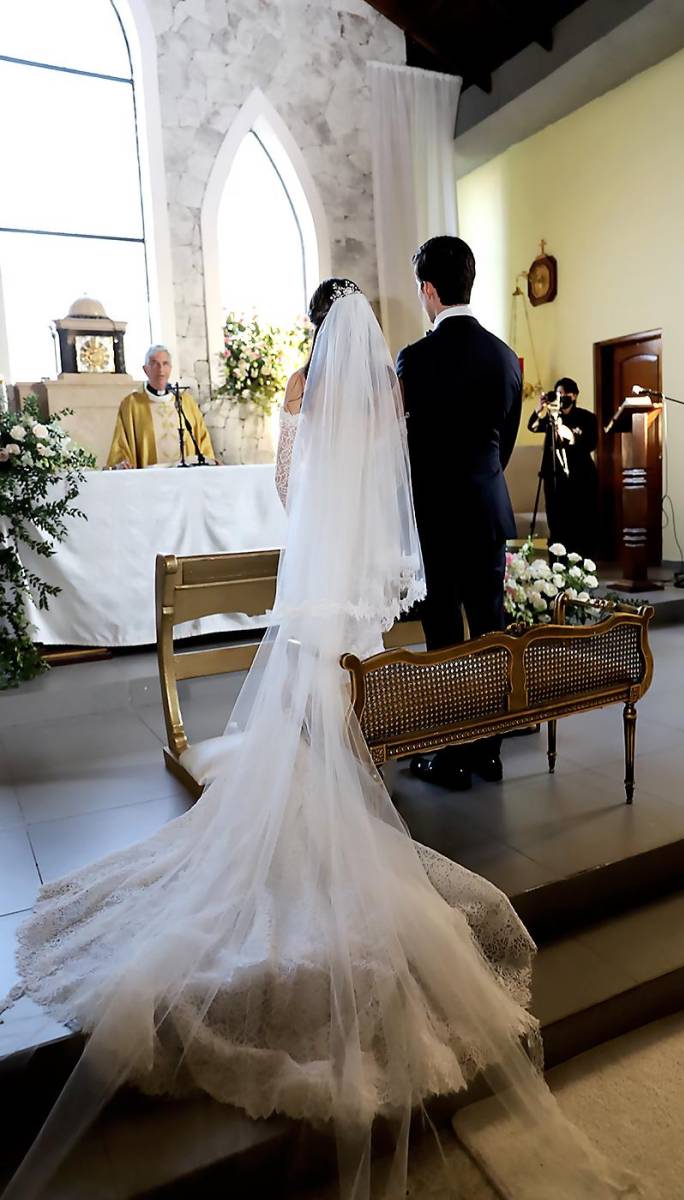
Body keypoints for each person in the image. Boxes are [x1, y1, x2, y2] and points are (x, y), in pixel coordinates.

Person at [2, 281, 637, 1200]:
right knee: (352, 715)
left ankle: (300, 833)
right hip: (360, 597)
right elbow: (394, 483)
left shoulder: (303, 390)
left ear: (312, 329)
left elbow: (292, 486)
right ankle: (342, 822)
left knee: (304, 721)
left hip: (312, 588)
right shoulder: (388, 390)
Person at [397, 236, 521, 792]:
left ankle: (450, 756)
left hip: (436, 522)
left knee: (444, 637)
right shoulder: (503, 355)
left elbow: (406, 446)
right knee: (492, 629)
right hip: (488, 513)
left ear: (429, 289)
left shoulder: (416, 359)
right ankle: (489, 751)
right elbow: (506, 443)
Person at [106, 345, 216, 468]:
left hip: (186, 477)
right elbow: (121, 444)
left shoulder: (185, 402)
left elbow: (202, 438)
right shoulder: (132, 405)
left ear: (170, 368)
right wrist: (122, 462)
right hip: (150, 480)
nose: (161, 370)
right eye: (155, 364)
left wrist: (209, 461)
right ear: (145, 369)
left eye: (165, 364)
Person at [527, 377, 598, 559]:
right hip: (554, 476)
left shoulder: (586, 417)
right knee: (556, 522)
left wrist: (571, 437)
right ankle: (556, 565)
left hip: (580, 477)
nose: (561, 397)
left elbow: (591, 443)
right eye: (558, 394)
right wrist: (539, 409)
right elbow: (533, 427)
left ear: (574, 395)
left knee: (580, 522)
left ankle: (580, 565)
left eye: (564, 394)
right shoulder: (552, 418)